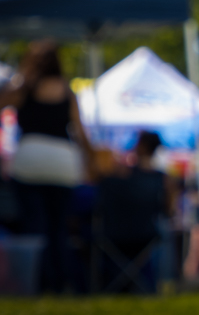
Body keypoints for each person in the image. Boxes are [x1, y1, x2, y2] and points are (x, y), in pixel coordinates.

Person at [0, 41, 93, 293]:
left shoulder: (23, 89)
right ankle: (62, 283)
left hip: (29, 162)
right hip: (63, 164)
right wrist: (92, 163)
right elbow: (81, 132)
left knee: (35, 226)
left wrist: (23, 73)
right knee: (59, 227)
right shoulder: (67, 91)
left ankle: (39, 282)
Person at [93, 131, 172, 293]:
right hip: (147, 236)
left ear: (141, 146)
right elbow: (169, 210)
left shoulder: (118, 175)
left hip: (112, 235)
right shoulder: (163, 180)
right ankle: (152, 285)